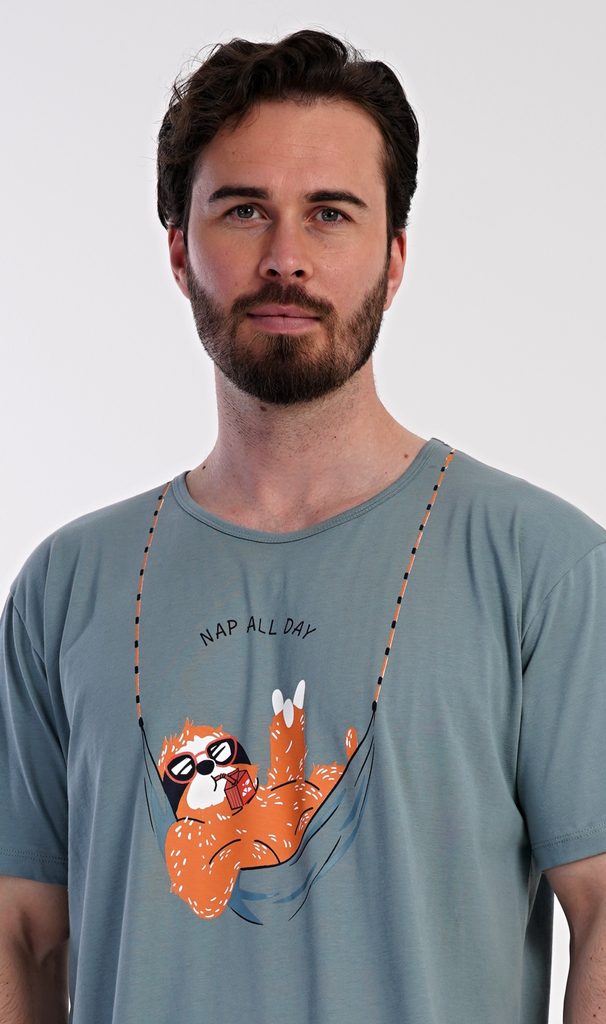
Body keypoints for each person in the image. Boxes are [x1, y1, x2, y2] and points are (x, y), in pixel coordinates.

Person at [1, 27, 605, 1024]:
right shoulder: (64, 588)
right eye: (244, 210)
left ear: (394, 256)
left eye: (330, 213)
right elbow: (20, 930)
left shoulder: (544, 568)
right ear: (179, 250)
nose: (286, 259)